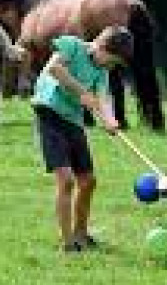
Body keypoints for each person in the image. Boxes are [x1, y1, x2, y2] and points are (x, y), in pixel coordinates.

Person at [32, 25, 133, 252]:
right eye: (111, 60)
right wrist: (82, 93)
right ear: (100, 45)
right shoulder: (71, 46)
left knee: (88, 181)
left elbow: (103, 98)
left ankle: (81, 234)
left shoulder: (101, 72)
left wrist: (110, 120)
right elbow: (54, 68)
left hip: (73, 121)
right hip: (49, 113)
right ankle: (67, 243)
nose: (110, 66)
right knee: (66, 180)